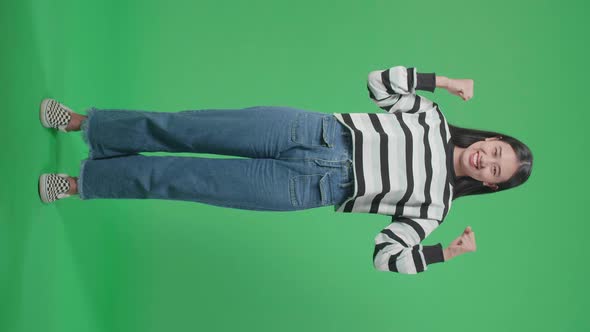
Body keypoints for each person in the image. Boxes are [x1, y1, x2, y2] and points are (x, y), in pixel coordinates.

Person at [38, 65, 533, 274]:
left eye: (495, 171)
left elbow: (387, 257)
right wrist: (443, 82)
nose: (487, 160)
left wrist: (444, 252)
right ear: (488, 139)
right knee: (185, 128)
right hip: (307, 131)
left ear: (488, 185)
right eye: (496, 151)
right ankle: (87, 123)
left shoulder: (437, 208)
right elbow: (380, 83)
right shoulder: (431, 116)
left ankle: (81, 183)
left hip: (308, 187)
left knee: (184, 180)